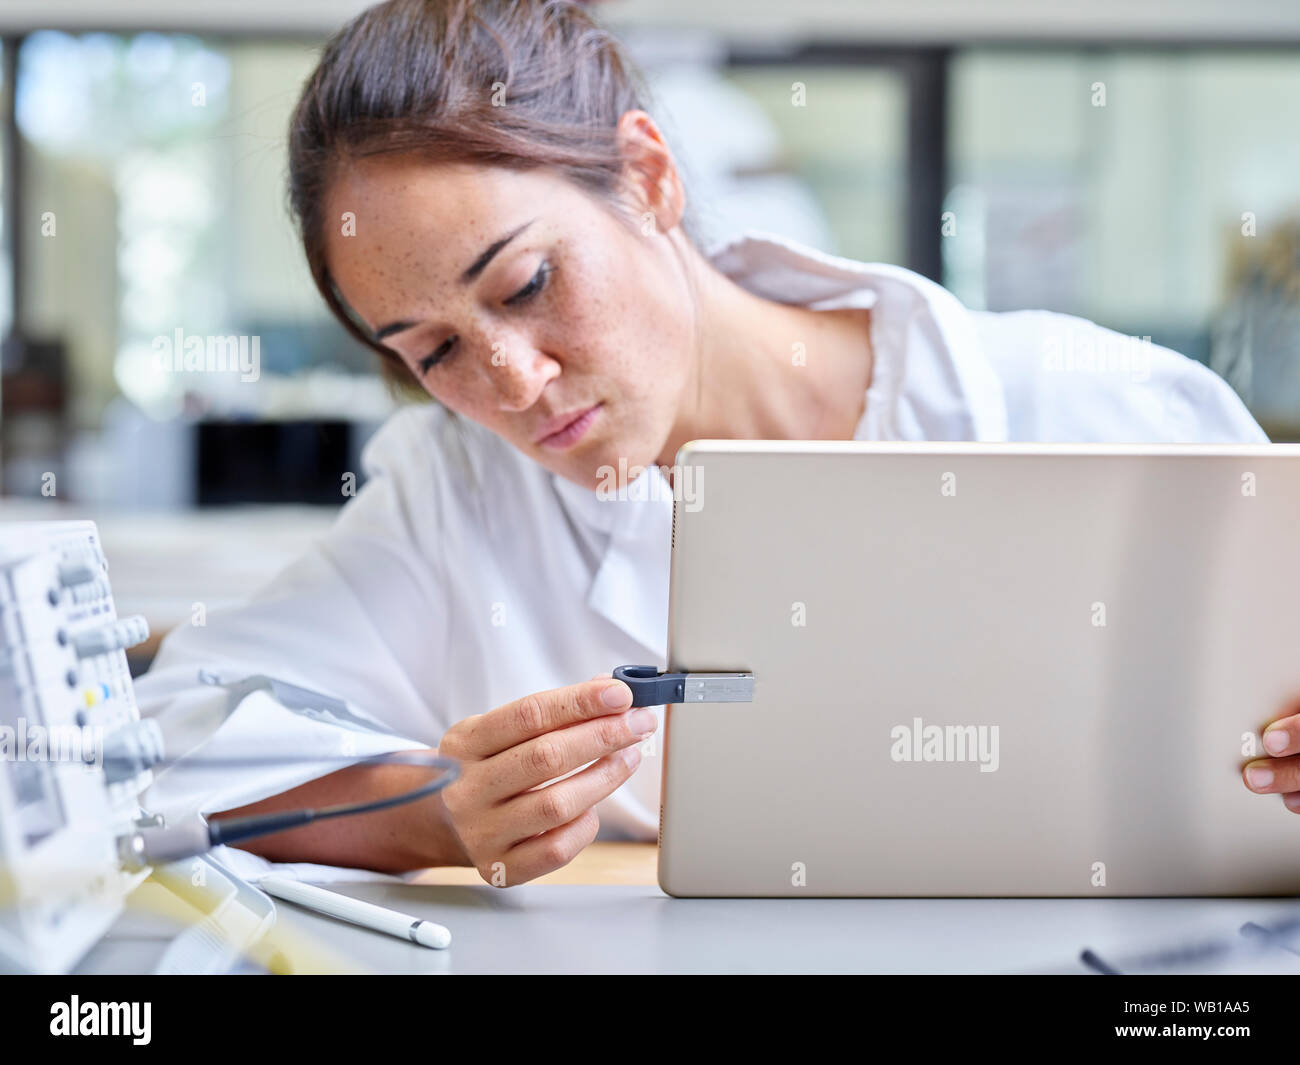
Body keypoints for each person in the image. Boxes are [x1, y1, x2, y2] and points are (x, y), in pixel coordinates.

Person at [135, 0, 1300, 887]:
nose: (516, 383)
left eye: (529, 282)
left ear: (647, 177)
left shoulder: (1091, 404)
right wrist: (435, 815)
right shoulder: (458, 496)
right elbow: (150, 763)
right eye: (431, 351)